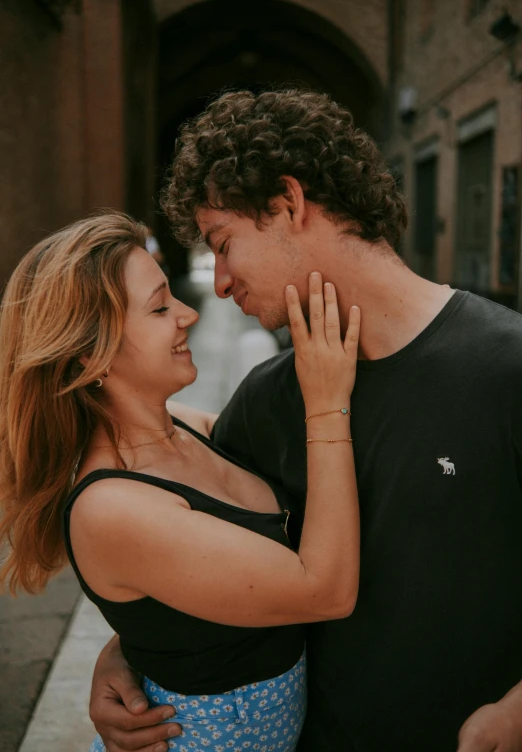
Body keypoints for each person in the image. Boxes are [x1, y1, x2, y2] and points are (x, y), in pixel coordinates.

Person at [89, 89, 522, 752]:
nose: (222, 282)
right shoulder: (266, 401)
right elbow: (213, 564)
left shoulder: (506, 365)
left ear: (289, 204)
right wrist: (128, 650)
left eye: (223, 242)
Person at [0, 212, 361, 752]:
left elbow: (175, 604)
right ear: (91, 351)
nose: (189, 314)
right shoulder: (111, 507)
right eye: (161, 306)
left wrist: (126, 648)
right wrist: (327, 404)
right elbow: (325, 590)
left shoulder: (191, 426)